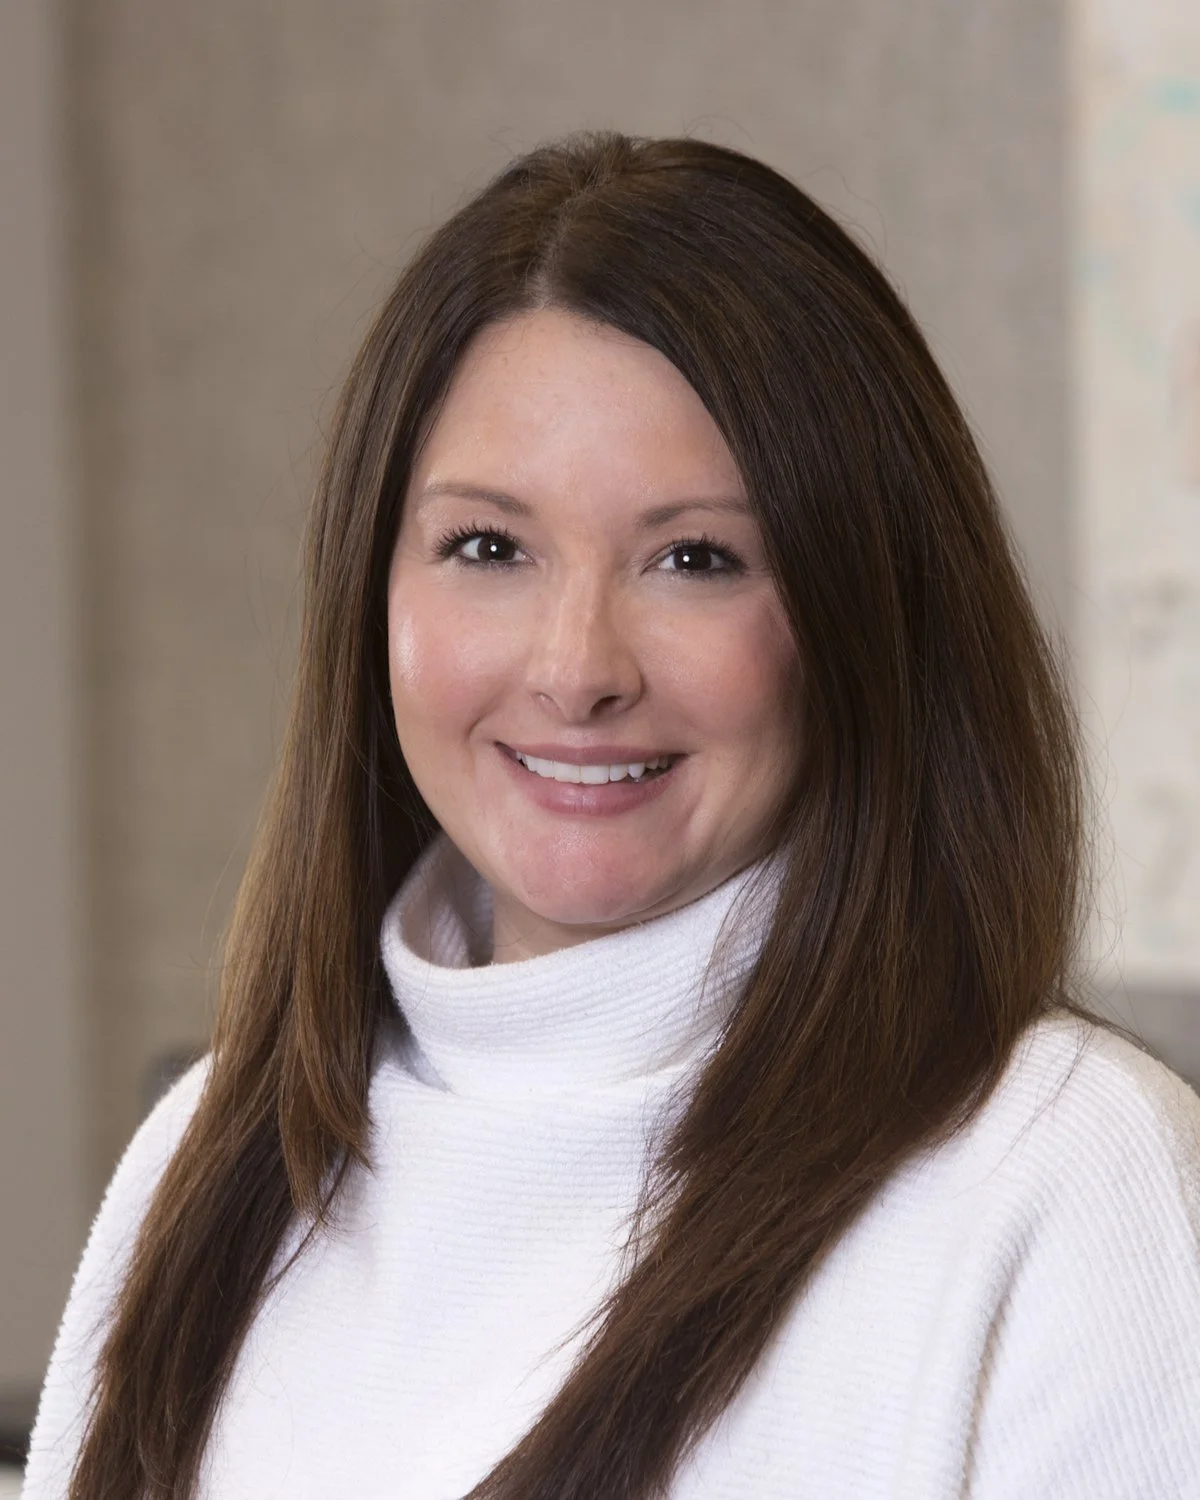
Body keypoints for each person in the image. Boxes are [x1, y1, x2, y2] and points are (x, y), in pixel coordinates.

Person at [22, 132, 1200, 1500]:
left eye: (695, 558)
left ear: (863, 620)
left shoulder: (1070, 1184)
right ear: (373, 601)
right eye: (489, 548)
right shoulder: (215, 1155)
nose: (578, 667)